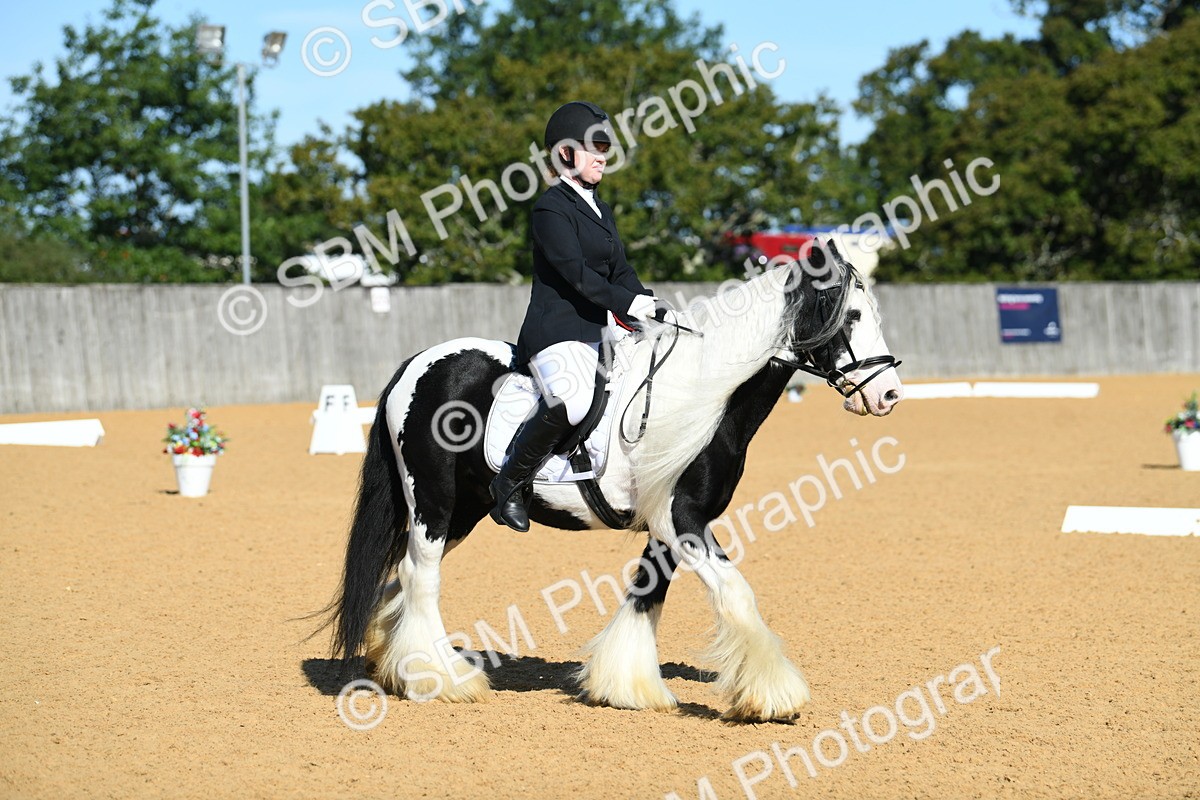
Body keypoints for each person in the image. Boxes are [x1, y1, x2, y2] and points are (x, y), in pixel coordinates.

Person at [489, 100, 664, 532]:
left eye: (606, 145)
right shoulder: (551, 209)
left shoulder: (600, 209)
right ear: (566, 153)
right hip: (557, 333)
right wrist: (626, 304)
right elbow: (577, 275)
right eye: (596, 145)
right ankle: (510, 481)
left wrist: (647, 302)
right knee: (574, 400)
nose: (604, 154)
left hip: (598, 333)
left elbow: (619, 269)